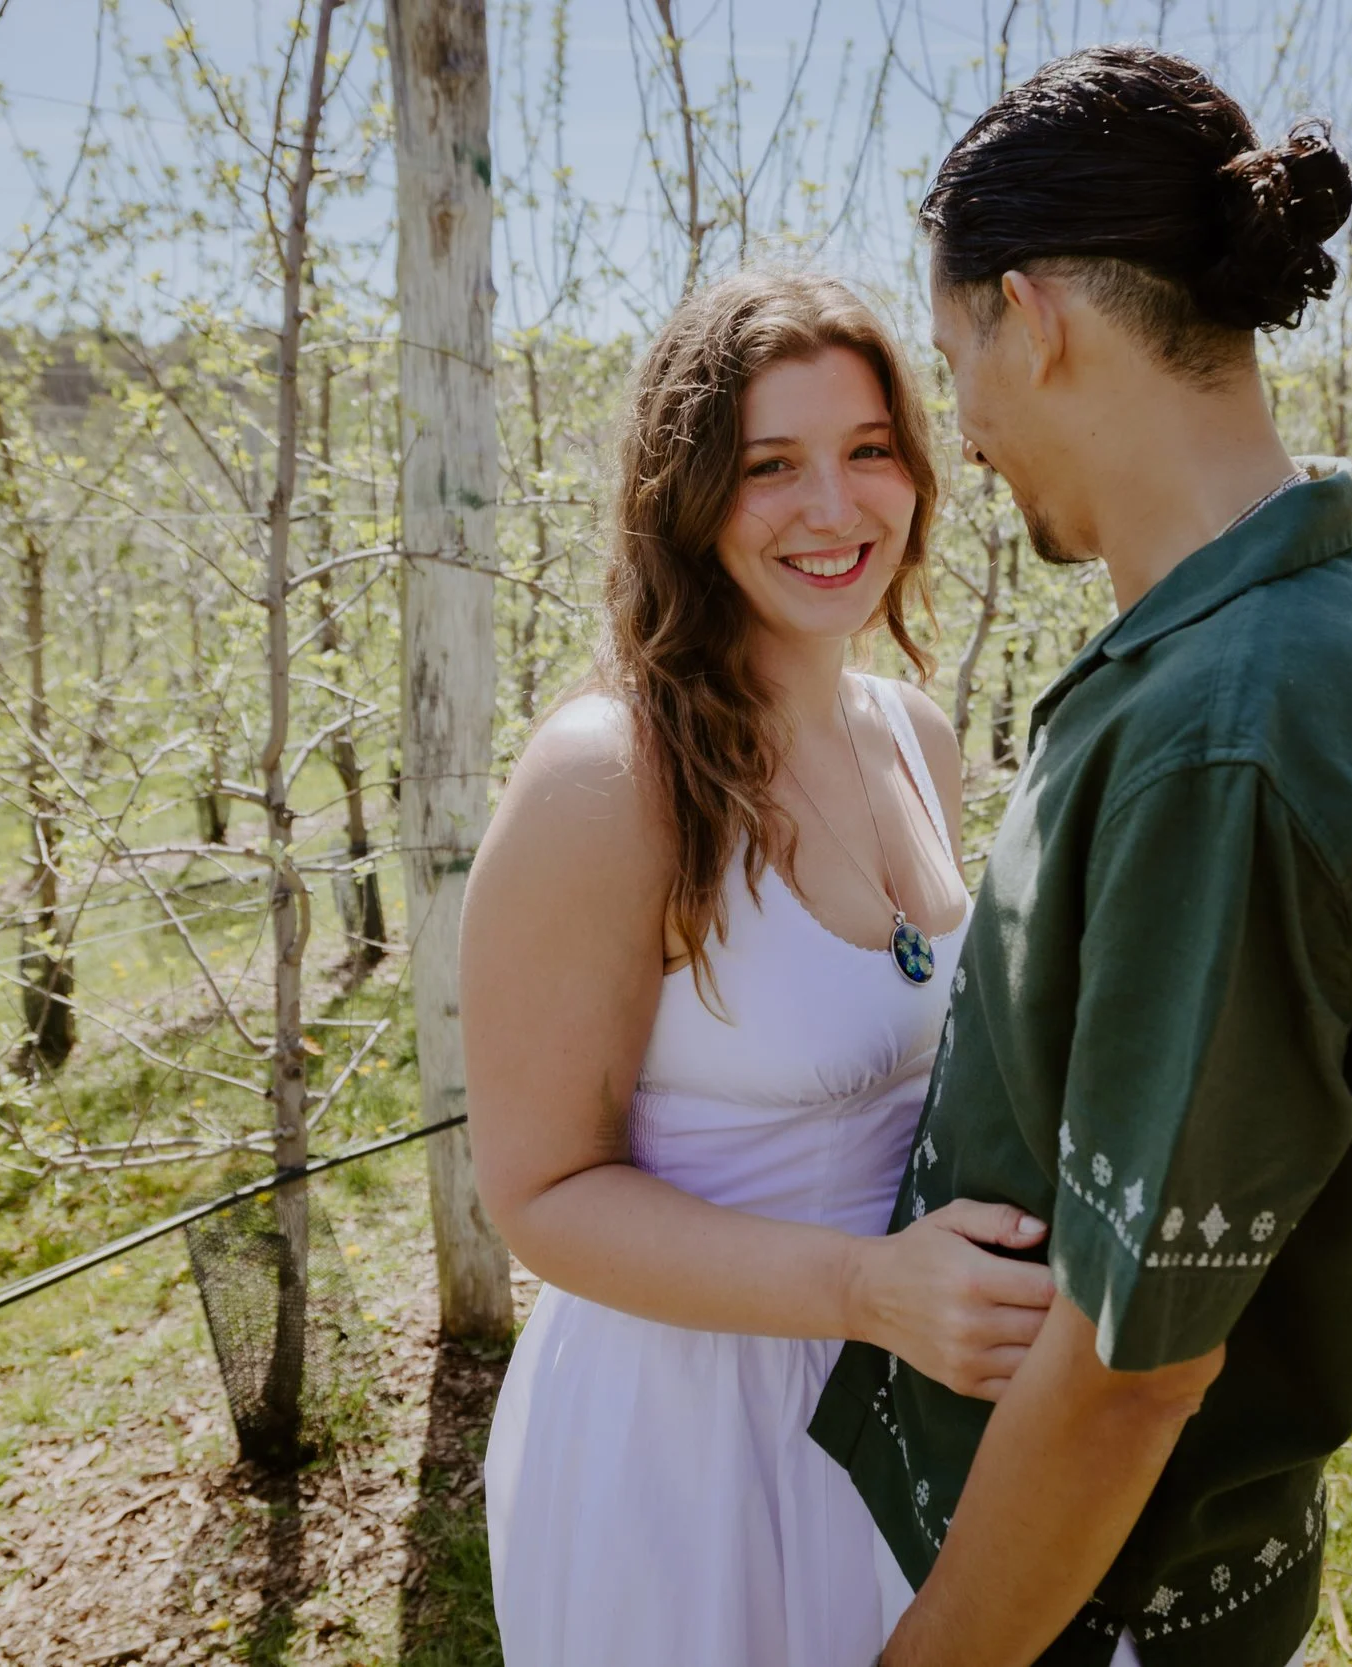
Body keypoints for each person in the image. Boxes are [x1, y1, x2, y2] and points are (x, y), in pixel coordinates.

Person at [809, 46, 1352, 1667]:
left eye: (954, 356)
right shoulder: (1268, 619)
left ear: (1032, 320)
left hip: (1079, 1605)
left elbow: (1132, 1363)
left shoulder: (1226, 731)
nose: (959, 427)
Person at [464, 270, 1057, 1666]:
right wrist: (867, 1290)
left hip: (923, 1392)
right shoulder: (609, 780)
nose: (834, 507)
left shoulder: (914, 732)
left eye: (867, 451)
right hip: (694, 1435)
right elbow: (538, 1194)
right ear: (684, 497)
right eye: (768, 466)